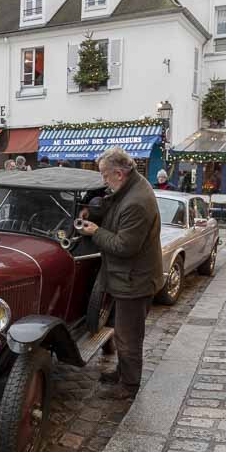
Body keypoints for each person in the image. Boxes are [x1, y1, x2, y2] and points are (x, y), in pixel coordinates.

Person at [79, 147, 164, 400]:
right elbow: (113, 209)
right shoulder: (129, 187)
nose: (103, 179)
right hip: (128, 277)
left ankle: (129, 386)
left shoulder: (137, 201)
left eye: (105, 174)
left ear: (119, 173)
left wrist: (95, 231)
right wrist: (92, 212)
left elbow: (124, 246)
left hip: (134, 280)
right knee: (123, 329)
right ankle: (122, 373)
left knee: (129, 336)